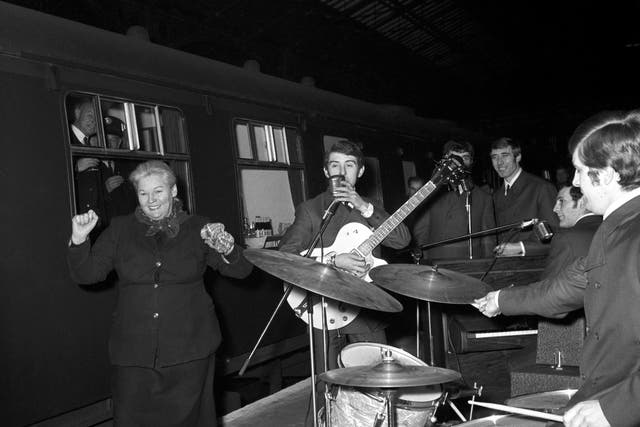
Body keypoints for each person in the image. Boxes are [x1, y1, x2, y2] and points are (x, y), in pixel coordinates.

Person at [474, 110, 640, 427]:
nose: (575, 183)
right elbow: (569, 285)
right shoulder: (616, 225)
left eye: (579, 171)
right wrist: (499, 300)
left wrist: (617, 408)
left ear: (606, 175)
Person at [68, 160, 253, 426]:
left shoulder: (200, 228)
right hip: (133, 352)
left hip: (190, 350)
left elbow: (242, 271)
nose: (151, 200)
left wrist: (229, 250)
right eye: (143, 193)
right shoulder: (120, 229)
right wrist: (79, 240)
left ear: (173, 191)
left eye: (158, 191)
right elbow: (87, 274)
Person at [278, 140, 411, 371]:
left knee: (376, 376)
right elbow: (285, 257)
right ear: (326, 171)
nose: (341, 172)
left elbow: (402, 239)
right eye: (335, 165)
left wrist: (363, 207)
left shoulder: (372, 207)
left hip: (366, 308)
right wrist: (332, 260)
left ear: (360, 171)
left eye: (349, 165)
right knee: (328, 381)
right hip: (324, 308)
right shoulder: (311, 209)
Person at [412, 140, 496, 260]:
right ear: (445, 161)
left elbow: (488, 242)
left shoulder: (484, 198)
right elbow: (421, 230)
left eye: (465, 158)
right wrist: (425, 257)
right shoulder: (430, 194)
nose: (460, 163)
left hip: (468, 270)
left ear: (472, 162)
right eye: (455, 158)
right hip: (435, 269)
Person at [490, 137, 558, 257]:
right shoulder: (495, 196)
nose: (499, 162)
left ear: (518, 157)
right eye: (494, 157)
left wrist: (521, 247)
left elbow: (555, 233)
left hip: (534, 267)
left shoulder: (541, 188)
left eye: (505, 155)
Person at [542, 185, 602, 278]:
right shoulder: (613, 228)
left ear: (582, 202)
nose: (555, 209)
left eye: (561, 201)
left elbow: (548, 286)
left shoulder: (566, 238)